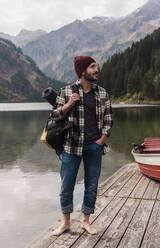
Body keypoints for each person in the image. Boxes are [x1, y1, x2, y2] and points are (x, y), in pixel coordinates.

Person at [51, 55, 113, 236]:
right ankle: (66, 224)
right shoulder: (66, 91)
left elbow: (109, 118)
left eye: (96, 66)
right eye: (93, 67)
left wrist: (102, 139)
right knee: (66, 185)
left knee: (92, 185)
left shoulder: (102, 93)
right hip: (71, 146)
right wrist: (69, 104)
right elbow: (55, 115)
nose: (96, 70)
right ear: (83, 71)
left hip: (94, 146)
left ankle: (86, 222)